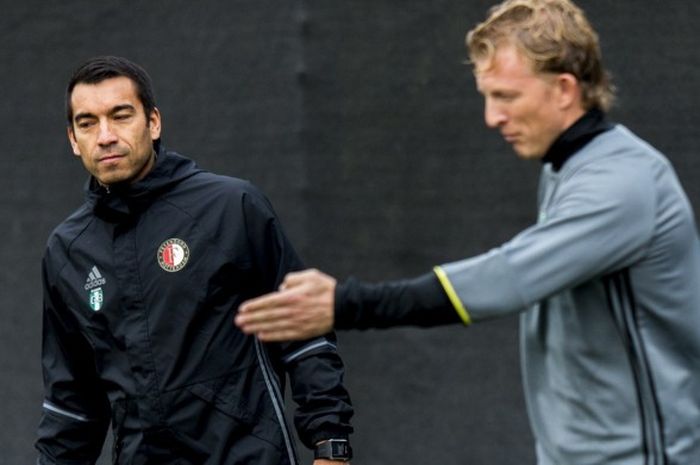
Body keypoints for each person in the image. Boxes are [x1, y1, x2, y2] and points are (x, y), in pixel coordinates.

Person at [235, 0, 700, 463]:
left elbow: (506, 279)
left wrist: (344, 303)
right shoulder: (569, 168)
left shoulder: (622, 185)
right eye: (487, 96)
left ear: (563, 89)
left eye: (506, 96)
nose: (492, 118)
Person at [36, 56, 354, 465]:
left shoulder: (231, 208)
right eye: (88, 123)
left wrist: (331, 446)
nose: (106, 136)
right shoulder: (67, 251)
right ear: (73, 139)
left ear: (153, 123)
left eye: (120, 116)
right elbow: (72, 404)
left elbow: (305, 335)